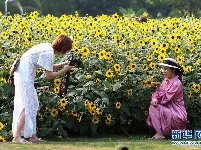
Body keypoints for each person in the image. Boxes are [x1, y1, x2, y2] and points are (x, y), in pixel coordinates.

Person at [12, 34, 76, 144]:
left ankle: (32, 136)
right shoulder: (48, 53)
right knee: (27, 105)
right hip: (24, 77)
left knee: (34, 104)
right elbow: (49, 76)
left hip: (23, 74)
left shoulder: (47, 47)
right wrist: (65, 70)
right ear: (63, 48)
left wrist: (64, 64)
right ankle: (17, 137)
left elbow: (49, 66)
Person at [146, 58, 188, 140]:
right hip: (168, 110)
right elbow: (157, 94)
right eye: (163, 68)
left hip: (176, 113)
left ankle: (160, 133)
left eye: (166, 69)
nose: (163, 71)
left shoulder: (177, 83)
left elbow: (165, 99)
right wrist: (154, 99)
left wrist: (159, 88)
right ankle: (161, 133)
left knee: (155, 107)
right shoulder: (166, 81)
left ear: (173, 70)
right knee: (154, 106)